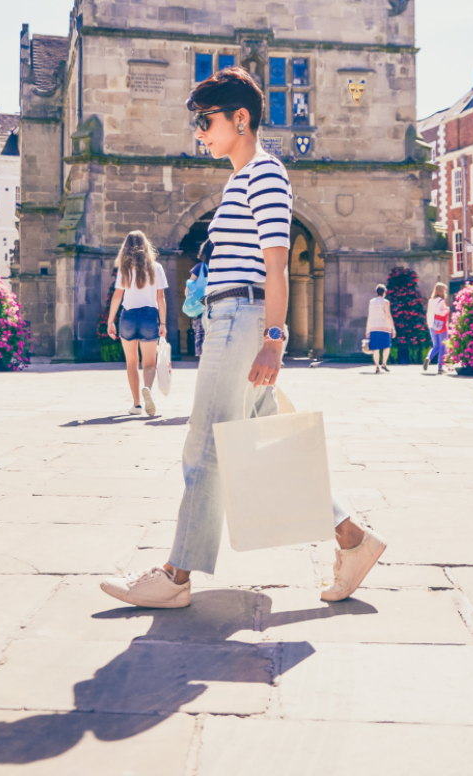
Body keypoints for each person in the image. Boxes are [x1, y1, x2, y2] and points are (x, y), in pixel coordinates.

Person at [99, 66, 384, 609]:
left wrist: (275, 339)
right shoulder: (241, 179)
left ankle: (176, 575)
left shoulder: (266, 175)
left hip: (242, 320)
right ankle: (353, 539)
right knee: (263, 445)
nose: (200, 132)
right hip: (228, 319)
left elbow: (276, 266)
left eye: (206, 121)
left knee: (203, 444)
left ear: (241, 118)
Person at [106, 230, 167, 417]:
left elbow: (117, 297)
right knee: (150, 363)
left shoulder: (124, 270)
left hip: (128, 316)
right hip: (149, 316)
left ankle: (137, 405)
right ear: (146, 245)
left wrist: (110, 321)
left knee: (132, 362)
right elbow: (161, 298)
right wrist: (162, 323)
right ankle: (147, 388)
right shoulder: (156, 268)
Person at [185, 241, 211, 357]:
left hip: (201, 308)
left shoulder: (200, 267)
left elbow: (189, 288)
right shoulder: (222, 266)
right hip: (219, 306)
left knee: (202, 339)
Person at [365, 283, 396, 373]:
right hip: (384, 327)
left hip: (373, 327)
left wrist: (367, 329)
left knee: (375, 348)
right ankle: (384, 363)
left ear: (376, 292)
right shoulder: (386, 302)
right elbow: (388, 316)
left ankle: (377, 366)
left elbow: (370, 316)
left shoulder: (371, 302)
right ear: (384, 292)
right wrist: (392, 328)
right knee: (387, 346)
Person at [423, 282, 448, 374]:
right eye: (444, 289)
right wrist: (446, 310)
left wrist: (429, 324)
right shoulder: (441, 301)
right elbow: (438, 312)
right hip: (440, 326)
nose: (446, 291)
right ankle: (440, 367)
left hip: (431, 325)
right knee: (442, 346)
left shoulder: (431, 301)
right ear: (441, 290)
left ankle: (428, 358)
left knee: (436, 346)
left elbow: (428, 313)